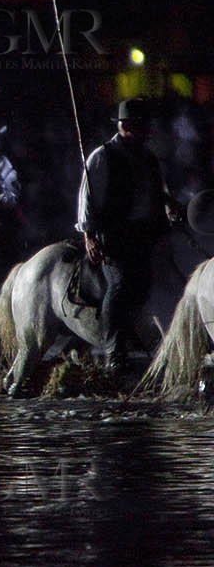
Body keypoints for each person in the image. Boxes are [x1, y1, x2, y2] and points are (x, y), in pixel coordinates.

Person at [76, 98, 184, 369]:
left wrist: (169, 204)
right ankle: (113, 348)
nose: (146, 133)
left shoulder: (148, 157)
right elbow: (87, 199)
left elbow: (159, 190)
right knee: (120, 284)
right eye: (140, 127)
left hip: (146, 233)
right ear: (125, 126)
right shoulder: (102, 157)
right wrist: (89, 235)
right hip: (116, 236)